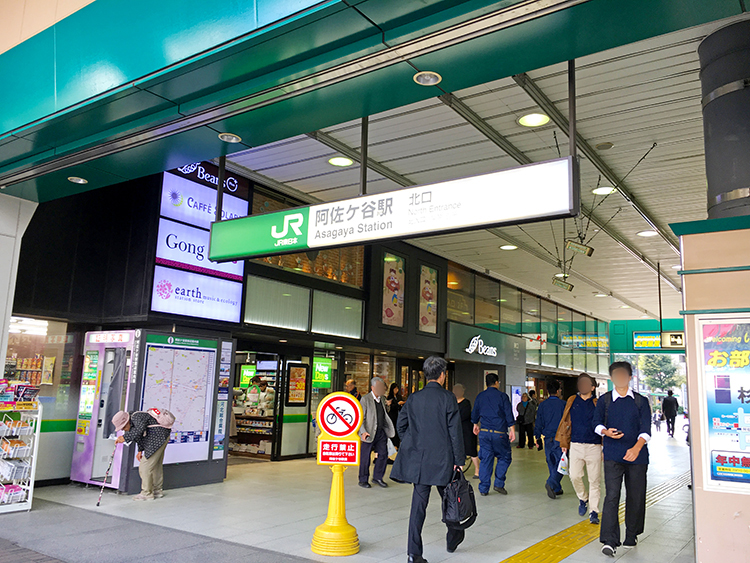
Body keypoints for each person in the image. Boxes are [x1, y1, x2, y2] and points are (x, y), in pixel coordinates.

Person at [391, 356, 465, 563]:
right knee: (451, 502)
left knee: (418, 508)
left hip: (421, 462)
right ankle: (453, 538)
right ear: (442, 375)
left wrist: (412, 443)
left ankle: (414, 554)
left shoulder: (414, 398)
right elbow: (455, 432)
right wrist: (459, 459)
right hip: (444, 461)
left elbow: (401, 425)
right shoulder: (448, 398)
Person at [594, 361, 652, 557]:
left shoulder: (640, 401)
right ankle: (609, 540)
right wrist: (605, 432)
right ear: (611, 378)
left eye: (623, 375)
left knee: (635, 496)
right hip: (612, 455)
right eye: (615, 375)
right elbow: (596, 423)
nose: (619, 378)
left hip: (637, 456)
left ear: (629, 377)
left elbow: (646, 430)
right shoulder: (605, 401)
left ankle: (632, 533)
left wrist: (636, 448)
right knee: (612, 496)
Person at [555, 373, 602, 524]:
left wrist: (604, 445)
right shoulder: (572, 400)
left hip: (594, 445)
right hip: (575, 444)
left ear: (592, 387)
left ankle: (593, 511)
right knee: (574, 476)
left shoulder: (598, 403)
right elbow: (565, 421)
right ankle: (583, 498)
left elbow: (604, 424)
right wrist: (564, 443)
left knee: (594, 480)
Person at [471, 372, 515, 496]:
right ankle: (499, 484)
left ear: (486, 383)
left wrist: (475, 424)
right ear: (497, 382)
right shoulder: (502, 396)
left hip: (484, 433)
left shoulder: (481, 396)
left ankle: (484, 489)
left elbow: (475, 412)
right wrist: (512, 429)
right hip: (499, 433)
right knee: (505, 457)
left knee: (485, 460)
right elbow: (508, 413)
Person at [112, 410, 171, 501]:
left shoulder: (137, 416)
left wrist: (124, 438)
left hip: (157, 438)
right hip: (160, 437)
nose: (123, 430)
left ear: (127, 421)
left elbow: (139, 430)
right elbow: (140, 436)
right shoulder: (133, 421)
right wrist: (140, 450)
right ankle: (157, 491)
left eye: (123, 427)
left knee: (145, 466)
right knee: (155, 465)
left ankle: (146, 493)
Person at [358, 376, 395, 488]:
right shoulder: (365, 399)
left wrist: (388, 406)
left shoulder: (382, 399)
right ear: (373, 387)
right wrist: (363, 432)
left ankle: (378, 477)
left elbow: (383, 414)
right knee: (365, 457)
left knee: (383, 455)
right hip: (368, 433)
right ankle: (363, 479)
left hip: (380, 432)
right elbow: (361, 418)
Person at [535, 379, 566, 499]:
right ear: (558, 391)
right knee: (561, 463)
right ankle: (552, 483)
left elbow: (538, 422)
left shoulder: (542, 405)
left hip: (547, 438)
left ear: (547, 391)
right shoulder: (563, 405)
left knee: (551, 463)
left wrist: (537, 437)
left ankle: (557, 488)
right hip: (560, 438)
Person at [453, 383, 479, 479]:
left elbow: (464, 415)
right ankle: (459, 470)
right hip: (456, 430)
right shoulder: (452, 402)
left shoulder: (466, 403)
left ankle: (477, 470)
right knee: (458, 451)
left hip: (467, 430)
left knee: (471, 450)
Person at [387, 382, 404, 449]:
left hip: (398, 415)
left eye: (397, 389)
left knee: (398, 430)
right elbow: (390, 407)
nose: (396, 390)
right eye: (395, 389)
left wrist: (401, 404)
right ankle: (393, 445)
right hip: (392, 416)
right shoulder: (390, 397)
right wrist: (398, 404)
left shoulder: (399, 396)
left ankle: (397, 444)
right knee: (393, 429)